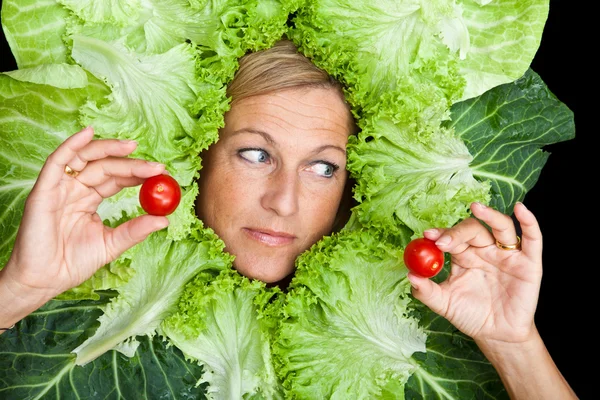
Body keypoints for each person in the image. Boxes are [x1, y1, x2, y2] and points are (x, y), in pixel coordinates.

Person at [0, 39, 578, 399]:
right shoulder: (95, 305)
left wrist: (514, 346)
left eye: (323, 168)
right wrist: (20, 290)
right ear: (197, 157)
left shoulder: (423, 319)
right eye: (256, 154)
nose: (285, 201)